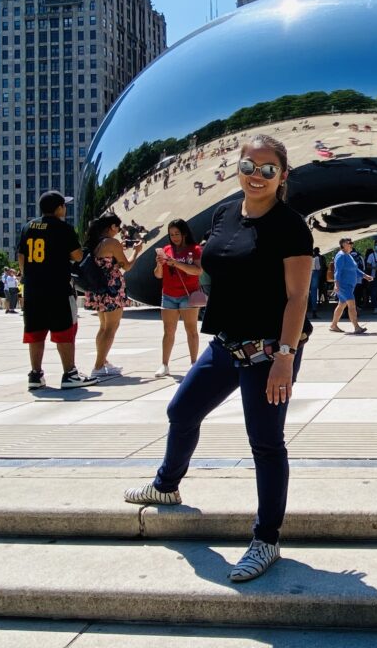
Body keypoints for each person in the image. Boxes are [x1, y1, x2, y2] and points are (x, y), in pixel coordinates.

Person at [124, 133, 312, 583]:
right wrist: (186, 272)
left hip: (269, 351)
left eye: (268, 169)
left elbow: (298, 296)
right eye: (249, 166)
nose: (256, 176)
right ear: (238, 168)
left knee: (265, 443)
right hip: (226, 343)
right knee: (181, 410)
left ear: (282, 175)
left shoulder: (291, 226)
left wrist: (285, 358)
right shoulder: (227, 212)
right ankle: (167, 485)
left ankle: (266, 539)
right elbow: (213, 263)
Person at [17, 191, 96, 390]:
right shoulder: (64, 229)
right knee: (64, 332)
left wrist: (29, 277)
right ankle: (70, 374)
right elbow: (77, 256)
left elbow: (21, 256)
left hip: (34, 290)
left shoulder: (29, 227)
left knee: (35, 332)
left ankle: (35, 375)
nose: (65, 209)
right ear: (59, 208)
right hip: (58, 289)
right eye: (64, 205)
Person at [84, 213, 142, 377]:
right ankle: (98, 366)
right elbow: (127, 265)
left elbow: (106, 259)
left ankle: (102, 360)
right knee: (111, 327)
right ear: (112, 227)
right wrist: (136, 251)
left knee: (104, 327)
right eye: (117, 227)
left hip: (98, 288)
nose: (118, 231)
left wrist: (119, 249)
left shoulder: (95, 242)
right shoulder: (111, 242)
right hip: (111, 288)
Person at [154, 219, 203, 377]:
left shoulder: (194, 249)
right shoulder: (167, 249)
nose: (174, 237)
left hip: (188, 295)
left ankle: (194, 362)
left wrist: (176, 263)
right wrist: (160, 264)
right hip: (168, 294)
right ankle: (164, 364)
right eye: (171, 234)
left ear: (184, 233)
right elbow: (158, 275)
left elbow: (198, 271)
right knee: (168, 331)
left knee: (191, 330)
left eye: (177, 234)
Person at [329, 238, 371, 334]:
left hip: (348, 286)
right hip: (343, 286)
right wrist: (336, 284)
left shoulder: (348, 255)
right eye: (349, 243)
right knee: (352, 305)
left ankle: (333, 325)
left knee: (341, 305)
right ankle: (356, 327)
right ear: (343, 244)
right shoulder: (341, 256)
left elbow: (355, 269)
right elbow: (337, 271)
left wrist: (365, 276)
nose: (352, 244)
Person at [308, 247, 324, 318]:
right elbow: (319, 268)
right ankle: (314, 311)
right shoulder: (318, 258)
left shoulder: (308, 257)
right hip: (315, 273)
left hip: (307, 273)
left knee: (306, 293)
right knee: (314, 293)